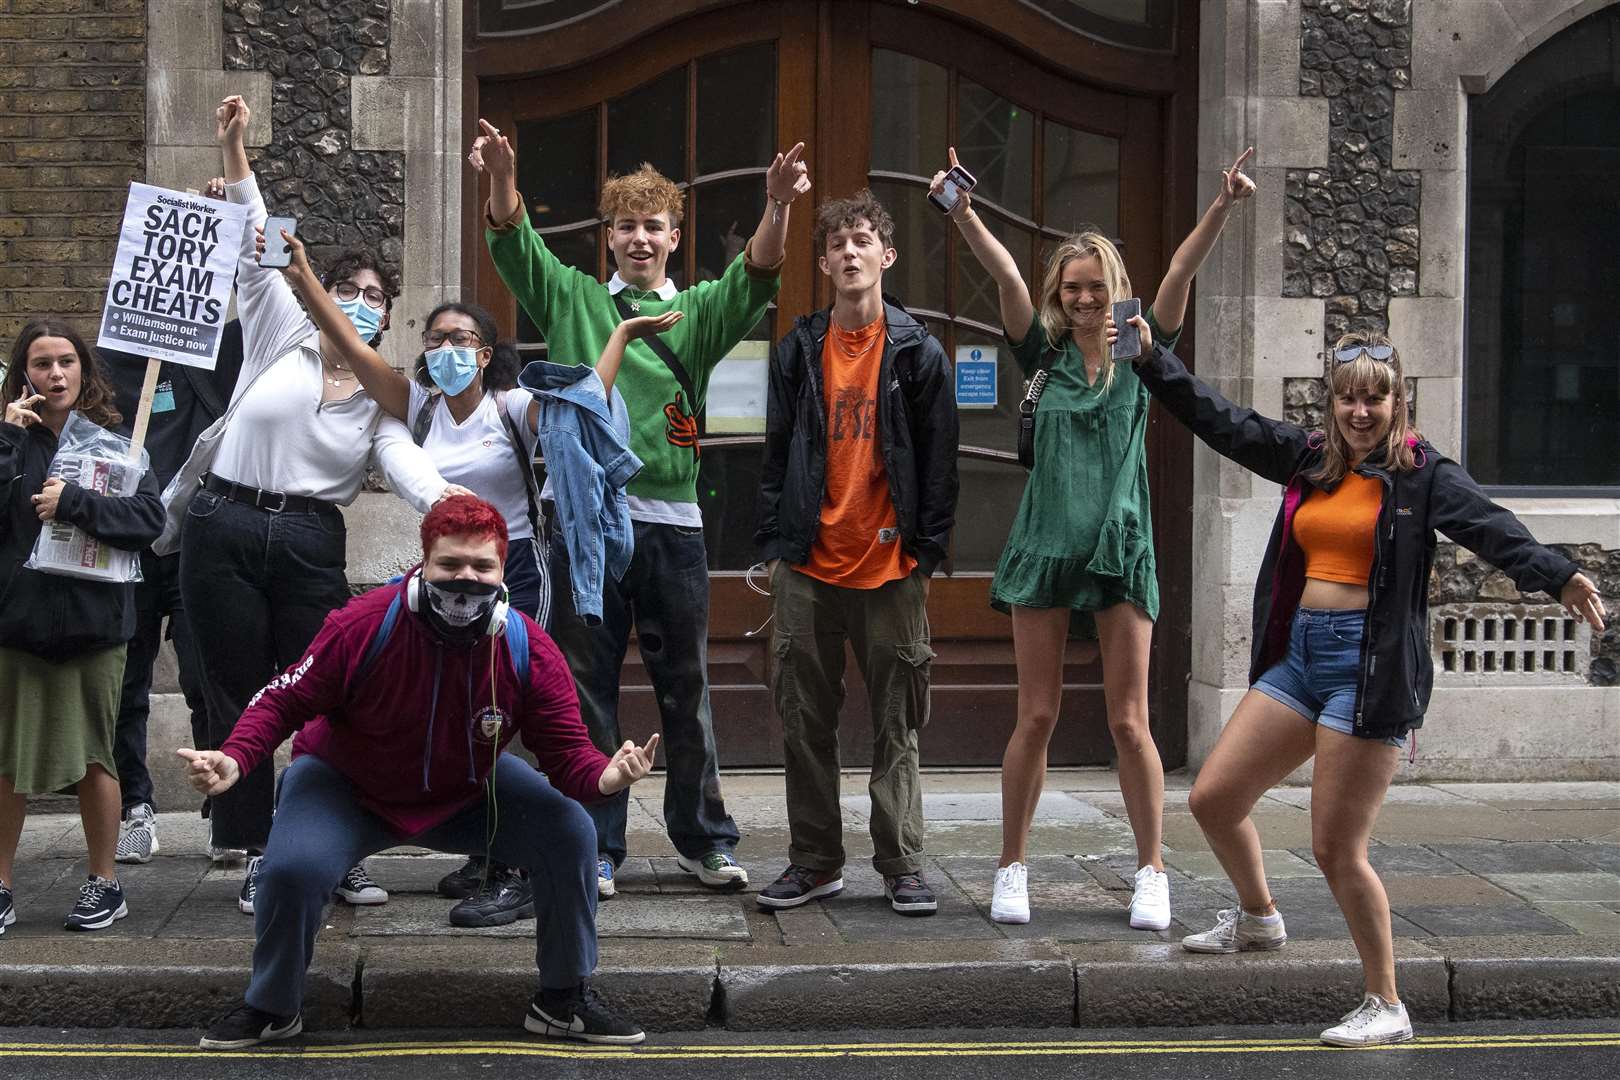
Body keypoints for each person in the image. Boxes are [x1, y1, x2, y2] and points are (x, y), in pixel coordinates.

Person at [1122, 324, 1606, 1046]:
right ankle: (1259, 919)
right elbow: (1222, 422)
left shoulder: (1422, 475)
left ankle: (1387, 1002)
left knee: (1336, 849)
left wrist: (1559, 575)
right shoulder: (1310, 459)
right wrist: (1152, 362)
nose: (1360, 412)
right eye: (1348, 398)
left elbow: (1493, 529)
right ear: (1332, 403)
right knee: (1214, 797)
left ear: (1397, 401)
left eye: (1375, 399)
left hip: (1369, 669)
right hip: (1300, 658)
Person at [265, 221, 676, 925]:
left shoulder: (512, 409)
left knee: (504, 709)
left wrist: (621, 337)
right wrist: (302, 277)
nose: (447, 350)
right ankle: (485, 853)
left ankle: (513, 866)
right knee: (460, 706)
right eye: (436, 340)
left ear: (486, 355)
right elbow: (358, 350)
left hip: (515, 567)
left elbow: (585, 400)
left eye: (461, 341)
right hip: (448, 571)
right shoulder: (416, 405)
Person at [178, 496, 659, 1049]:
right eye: (450, 565)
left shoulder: (528, 647)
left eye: (482, 567)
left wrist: (607, 778)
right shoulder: (361, 625)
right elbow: (282, 699)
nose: (466, 579)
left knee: (571, 831)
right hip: (346, 788)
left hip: (465, 792)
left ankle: (563, 1001)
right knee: (291, 872)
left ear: (503, 572)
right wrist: (235, 756)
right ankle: (271, 1006)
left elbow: (568, 756)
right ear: (423, 564)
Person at [470, 119, 811, 897]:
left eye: (653, 226)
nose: (639, 238)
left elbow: (757, 273)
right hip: (581, 527)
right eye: (626, 225)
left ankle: (705, 839)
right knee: (583, 690)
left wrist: (778, 205)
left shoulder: (697, 311)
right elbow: (514, 243)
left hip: (672, 528)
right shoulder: (575, 299)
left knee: (684, 687)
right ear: (609, 236)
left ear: (673, 234)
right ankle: (595, 843)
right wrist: (499, 180)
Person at [939, 147, 1257, 928]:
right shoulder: (1040, 353)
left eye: (1097, 287)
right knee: (1036, 715)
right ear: (1061, 294)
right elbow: (1008, 277)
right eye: (1073, 288)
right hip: (1046, 544)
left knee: (1129, 720)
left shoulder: (1138, 350)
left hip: (1121, 548)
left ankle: (1152, 870)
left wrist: (1221, 207)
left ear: (1117, 292)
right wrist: (962, 211)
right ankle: (1011, 866)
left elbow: (1181, 272)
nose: (1084, 299)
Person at [176, 95, 459, 915]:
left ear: (388, 312)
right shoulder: (278, 335)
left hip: (307, 539)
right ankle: (257, 849)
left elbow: (407, 463)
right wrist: (233, 149)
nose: (363, 299)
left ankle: (334, 845)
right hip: (222, 523)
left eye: (377, 293)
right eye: (349, 286)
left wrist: (456, 506)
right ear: (323, 291)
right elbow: (258, 229)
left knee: (323, 695)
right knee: (235, 693)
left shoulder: (380, 397)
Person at [753, 191, 959, 915]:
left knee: (897, 721)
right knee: (805, 720)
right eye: (837, 244)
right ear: (823, 263)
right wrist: (777, 547)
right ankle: (814, 862)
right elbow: (775, 454)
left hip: (892, 568)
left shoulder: (917, 351)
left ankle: (901, 862)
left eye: (862, 240)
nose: (849, 253)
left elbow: (940, 464)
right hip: (809, 563)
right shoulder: (797, 350)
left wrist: (926, 554)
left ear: (886, 255)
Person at [0, 320, 164, 934]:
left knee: (98, 757)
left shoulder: (116, 442)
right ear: (24, 377)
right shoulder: (7, 441)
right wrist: (5, 440)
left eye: (66, 361)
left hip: (95, 626)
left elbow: (148, 520)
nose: (55, 374)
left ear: (84, 370)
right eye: (40, 364)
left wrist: (73, 503)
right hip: (17, 626)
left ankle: (104, 881)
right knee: (7, 761)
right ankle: (1, 884)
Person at [101, 320, 245, 865]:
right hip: (127, 547)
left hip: (197, 546)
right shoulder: (105, 366)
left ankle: (219, 808)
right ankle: (135, 808)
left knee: (206, 682)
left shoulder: (215, 354)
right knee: (124, 684)